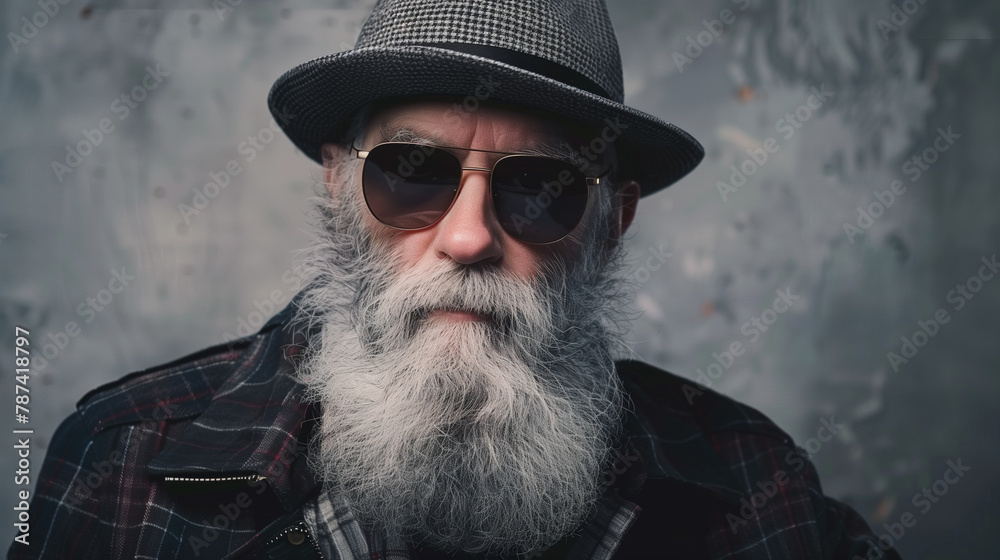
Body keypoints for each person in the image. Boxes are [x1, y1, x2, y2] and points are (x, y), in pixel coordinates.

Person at [12, 0, 900, 558]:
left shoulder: (751, 490)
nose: (468, 237)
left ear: (611, 225)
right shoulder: (122, 465)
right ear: (338, 185)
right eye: (411, 172)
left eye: (543, 190)